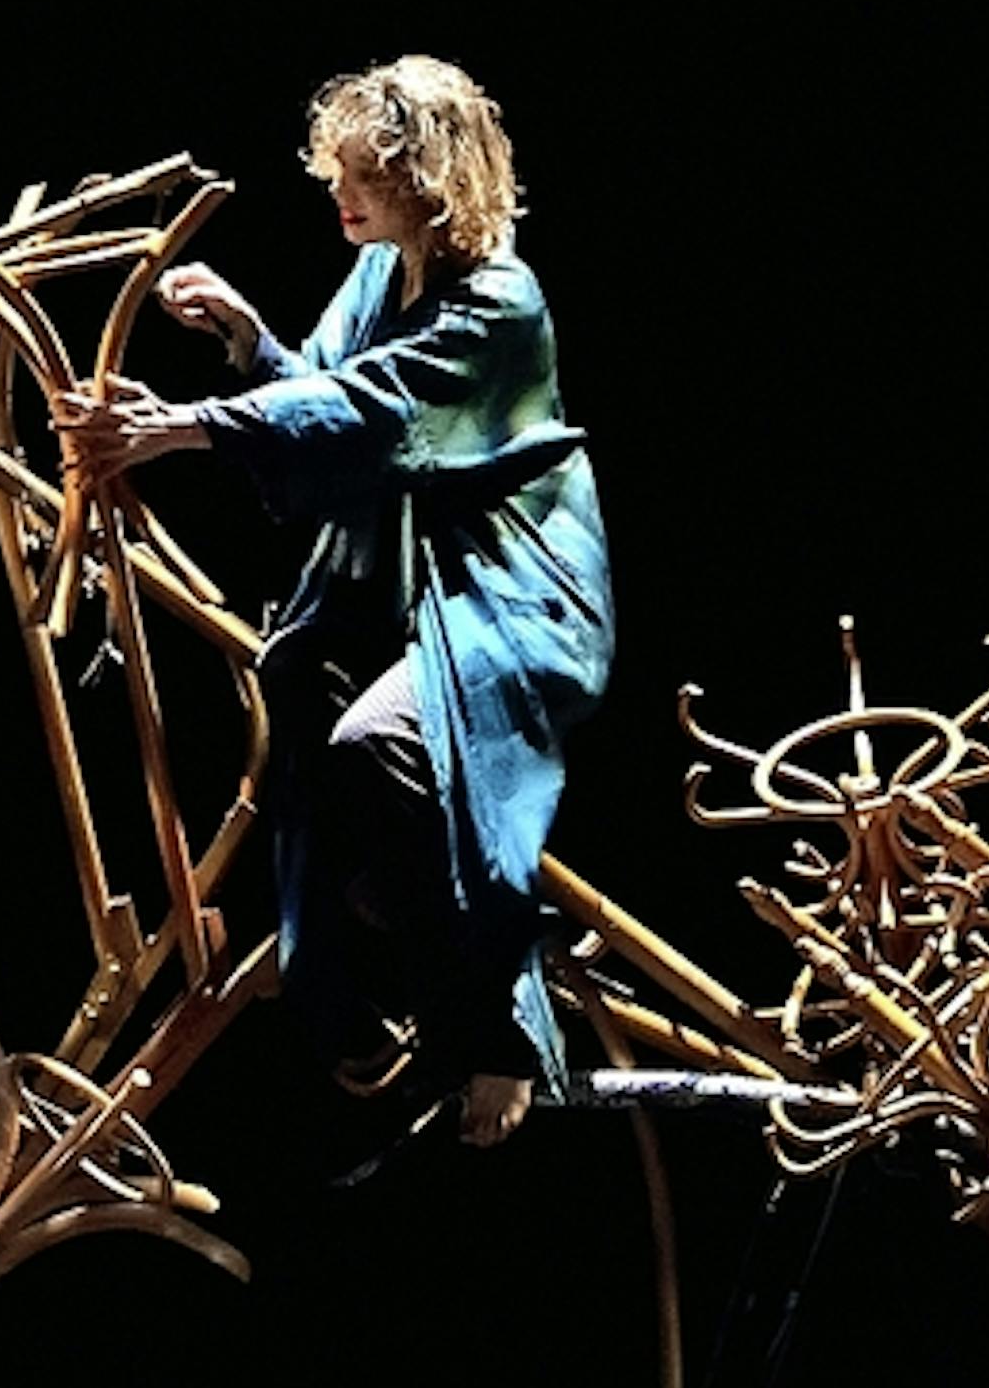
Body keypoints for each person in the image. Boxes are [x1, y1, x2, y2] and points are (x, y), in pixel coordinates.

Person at [62, 56, 611, 1149]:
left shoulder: (502, 301)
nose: (339, 195)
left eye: (363, 175)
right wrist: (243, 344)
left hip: (507, 588)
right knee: (296, 680)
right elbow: (317, 389)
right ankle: (355, 1006)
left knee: (385, 746)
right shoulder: (379, 274)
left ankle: (498, 1032)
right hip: (399, 577)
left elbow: (376, 412)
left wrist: (183, 425)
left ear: (429, 178)